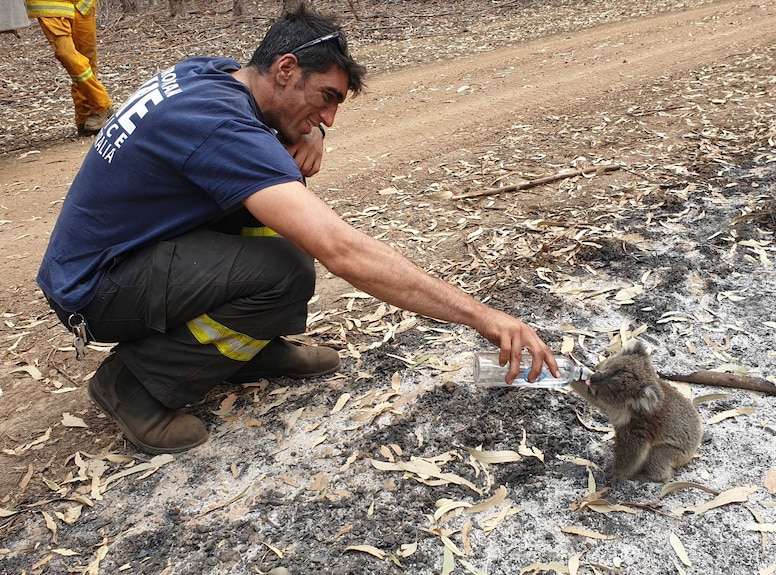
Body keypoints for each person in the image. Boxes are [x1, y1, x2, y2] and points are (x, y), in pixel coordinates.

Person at [37, 3, 559, 455]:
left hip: (120, 254)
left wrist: (308, 134)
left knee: (281, 226)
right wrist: (483, 316)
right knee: (285, 268)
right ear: (285, 68)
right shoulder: (222, 127)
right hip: (96, 288)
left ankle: (244, 347)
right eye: (326, 98)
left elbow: (268, 131)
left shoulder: (211, 76)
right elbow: (342, 250)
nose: (328, 117)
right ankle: (134, 384)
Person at [26, 0, 113, 135]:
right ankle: (101, 103)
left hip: (82, 4)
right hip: (51, 7)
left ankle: (85, 116)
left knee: (87, 60)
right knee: (67, 55)